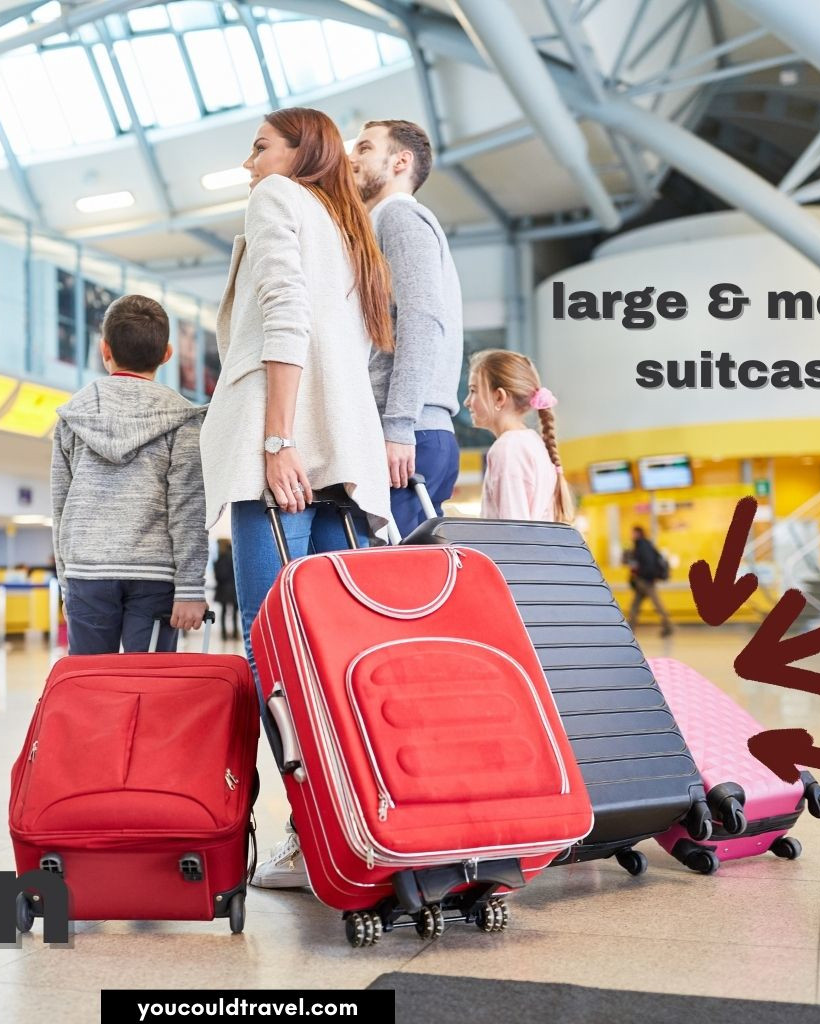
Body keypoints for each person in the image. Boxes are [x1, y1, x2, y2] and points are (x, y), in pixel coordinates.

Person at [199, 107, 394, 889]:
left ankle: (309, 835)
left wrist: (277, 440)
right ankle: (363, 822)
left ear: (297, 152)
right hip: (344, 452)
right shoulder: (342, 225)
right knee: (337, 650)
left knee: (272, 649)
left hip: (290, 451)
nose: (249, 165)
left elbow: (283, 318)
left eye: (259, 148)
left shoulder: (278, 200)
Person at [50, 294, 209, 655]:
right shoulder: (182, 420)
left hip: (86, 574)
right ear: (167, 354)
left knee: (90, 686)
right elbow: (188, 509)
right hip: (155, 577)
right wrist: (189, 588)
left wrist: (66, 582)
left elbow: (60, 507)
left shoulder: (72, 417)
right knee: (149, 688)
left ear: (104, 349)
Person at [349, 119, 464, 537]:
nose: (350, 158)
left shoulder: (397, 216)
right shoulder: (382, 221)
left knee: (397, 591)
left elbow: (421, 318)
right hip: (413, 430)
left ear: (401, 161)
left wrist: (398, 425)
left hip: (409, 432)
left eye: (364, 148)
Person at [464, 350, 575, 523]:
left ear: (499, 397)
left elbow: (512, 533)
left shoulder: (507, 448)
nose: (467, 401)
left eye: (473, 390)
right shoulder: (532, 442)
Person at [626, 526, 675, 637]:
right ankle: (629, 628)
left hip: (645, 581)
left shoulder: (642, 546)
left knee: (656, 604)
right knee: (636, 606)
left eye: (633, 533)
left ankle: (668, 626)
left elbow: (647, 563)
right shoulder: (644, 545)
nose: (631, 535)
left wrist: (645, 576)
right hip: (644, 580)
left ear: (638, 533)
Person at [214, 539, 238, 640]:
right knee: (234, 613)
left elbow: (220, 575)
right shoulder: (234, 557)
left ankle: (224, 634)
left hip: (224, 589)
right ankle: (235, 633)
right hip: (234, 589)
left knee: (224, 612)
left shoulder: (221, 559)